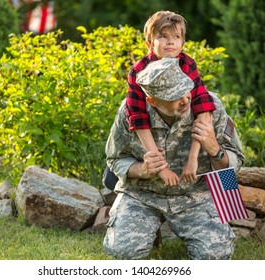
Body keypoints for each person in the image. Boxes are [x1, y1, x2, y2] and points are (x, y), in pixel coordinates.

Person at [103, 57, 244, 260]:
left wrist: (215, 149)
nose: (186, 99)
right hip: (143, 194)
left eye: (186, 90)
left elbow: (237, 160)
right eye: (175, 96)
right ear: (152, 101)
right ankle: (148, 232)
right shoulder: (130, 111)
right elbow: (114, 159)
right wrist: (141, 170)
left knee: (216, 255)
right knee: (123, 251)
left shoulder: (210, 107)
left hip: (195, 195)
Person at [126, 10, 216, 186]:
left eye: (176, 36)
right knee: (112, 177)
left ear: (182, 42)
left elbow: (203, 107)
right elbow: (138, 118)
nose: (170, 42)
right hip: (154, 150)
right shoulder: (138, 72)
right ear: (149, 43)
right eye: (163, 36)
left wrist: (192, 159)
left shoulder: (188, 64)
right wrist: (161, 167)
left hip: (197, 181)